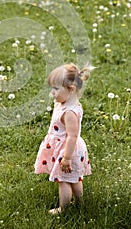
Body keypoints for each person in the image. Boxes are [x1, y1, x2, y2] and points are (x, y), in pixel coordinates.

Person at [34, 63, 93, 215]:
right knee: (74, 178)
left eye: (55, 89)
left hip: (68, 150)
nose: (52, 93)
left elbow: (72, 136)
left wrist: (66, 158)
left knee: (63, 180)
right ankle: (80, 203)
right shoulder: (66, 103)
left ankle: (64, 208)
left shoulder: (69, 112)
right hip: (68, 148)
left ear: (71, 89)